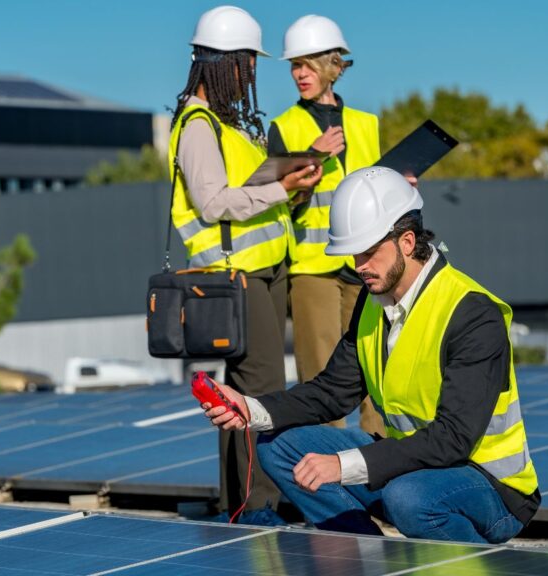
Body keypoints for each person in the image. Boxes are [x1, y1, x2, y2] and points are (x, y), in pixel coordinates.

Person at [200, 166, 540, 543]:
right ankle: (367, 558)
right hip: (413, 464)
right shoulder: (373, 302)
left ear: (407, 242)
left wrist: (344, 466)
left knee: (408, 498)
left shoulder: (472, 313)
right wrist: (251, 409)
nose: (359, 267)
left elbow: (453, 438)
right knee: (279, 446)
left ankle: (475, 565)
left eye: (368, 252)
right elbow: (332, 392)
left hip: (487, 484)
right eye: (353, 254)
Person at [169, 6, 322, 523]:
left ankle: (242, 502)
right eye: (246, 64)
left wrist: (290, 188)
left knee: (245, 393)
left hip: (262, 270)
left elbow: (246, 193)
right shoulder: (196, 125)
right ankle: (258, 507)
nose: (251, 75)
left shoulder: (228, 124)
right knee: (260, 392)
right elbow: (213, 203)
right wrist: (281, 187)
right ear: (221, 62)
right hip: (235, 276)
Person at [267, 15, 386, 435]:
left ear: (334, 65)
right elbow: (280, 199)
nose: (299, 74)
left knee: (376, 368)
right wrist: (309, 156)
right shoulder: (284, 127)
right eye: (293, 66)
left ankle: (379, 467)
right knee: (320, 378)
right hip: (312, 268)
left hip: (365, 263)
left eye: (307, 64)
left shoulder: (367, 125)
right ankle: (325, 479)